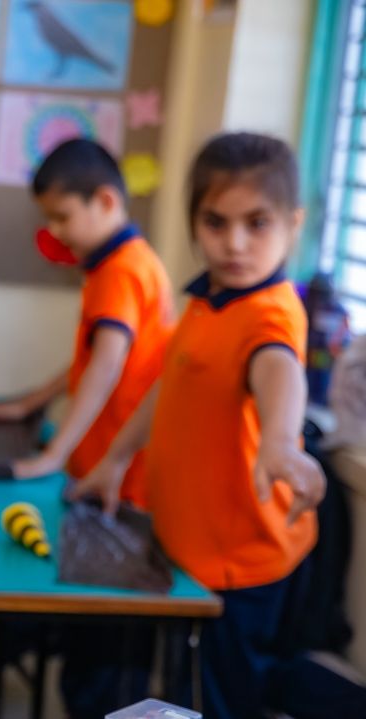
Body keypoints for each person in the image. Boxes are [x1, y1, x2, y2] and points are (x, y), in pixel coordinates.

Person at [72, 132, 366, 718]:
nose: (234, 243)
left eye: (257, 223)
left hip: (238, 570)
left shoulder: (270, 312)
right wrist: (115, 459)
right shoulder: (212, 298)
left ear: (293, 224)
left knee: (220, 699)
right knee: (198, 690)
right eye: (215, 222)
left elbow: (279, 370)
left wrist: (279, 443)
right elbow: (170, 386)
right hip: (190, 554)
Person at [0, 139, 174, 507]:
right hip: (105, 452)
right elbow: (96, 358)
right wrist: (29, 403)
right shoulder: (126, 262)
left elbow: (105, 365)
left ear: (106, 201)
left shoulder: (120, 271)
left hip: (114, 467)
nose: (55, 231)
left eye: (62, 217)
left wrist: (54, 455)